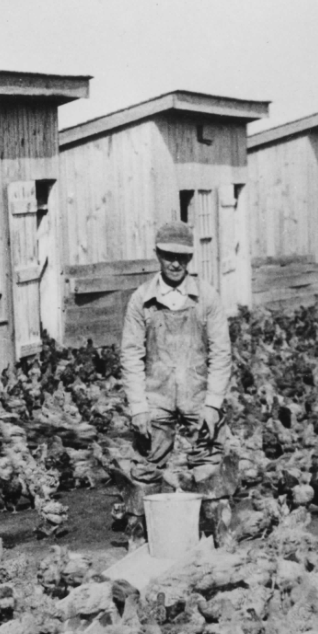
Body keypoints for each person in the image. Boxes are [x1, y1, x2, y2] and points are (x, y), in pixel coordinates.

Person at [118, 221, 238, 546]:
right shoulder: (141, 301)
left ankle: (220, 537)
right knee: (144, 469)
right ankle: (138, 542)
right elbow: (130, 356)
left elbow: (221, 353)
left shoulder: (206, 298)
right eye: (169, 256)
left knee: (210, 466)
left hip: (197, 396)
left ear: (191, 258)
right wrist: (139, 407)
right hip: (155, 398)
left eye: (182, 258)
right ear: (157, 254)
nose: (175, 264)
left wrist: (213, 404)